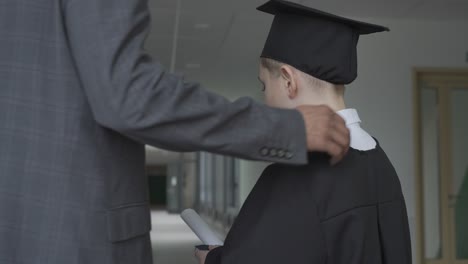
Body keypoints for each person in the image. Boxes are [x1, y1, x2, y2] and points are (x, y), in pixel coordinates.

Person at [0, 0, 350, 264]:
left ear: (289, 81)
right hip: (72, 234)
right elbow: (127, 97)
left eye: (262, 86)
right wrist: (284, 130)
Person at [195, 1, 412, 263]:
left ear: (288, 81)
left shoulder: (295, 176)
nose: (265, 99)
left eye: (264, 86)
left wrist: (214, 259)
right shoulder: (381, 163)